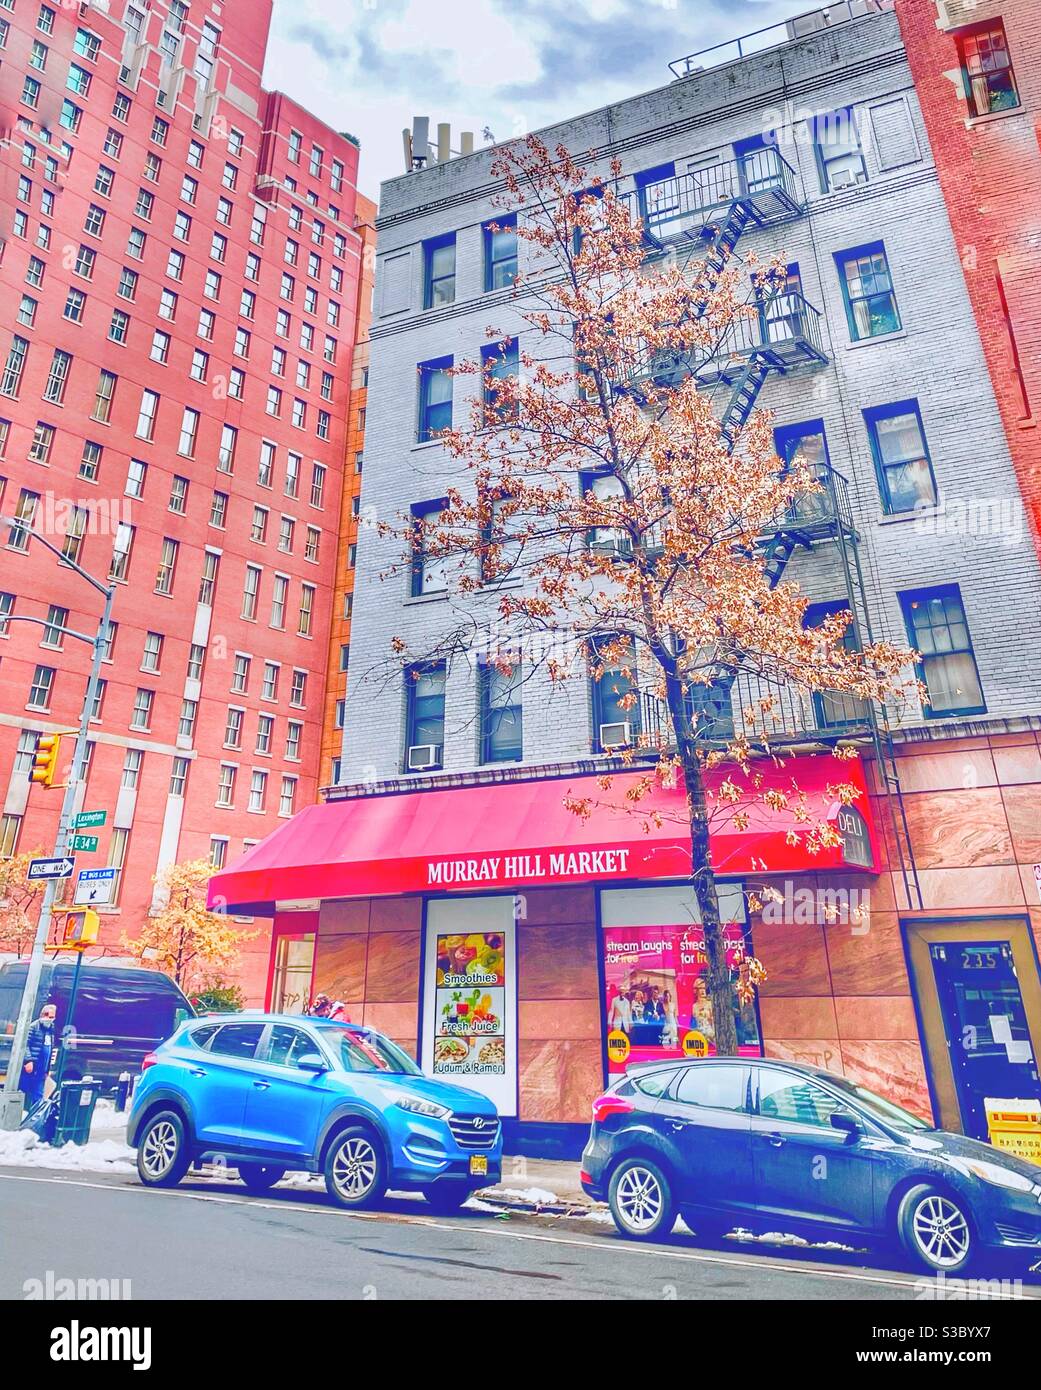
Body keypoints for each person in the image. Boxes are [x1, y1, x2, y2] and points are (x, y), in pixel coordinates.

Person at [20, 1003, 57, 1116]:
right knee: (24, 1092)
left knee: (39, 1095)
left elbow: (49, 1050)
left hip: (41, 1070)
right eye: (49, 1016)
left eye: (52, 1017)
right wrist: (28, 1060)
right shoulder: (33, 1027)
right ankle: (23, 1115)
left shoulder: (50, 1029)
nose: (50, 1020)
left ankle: (34, 1118)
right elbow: (25, 1044)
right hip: (32, 1068)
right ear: (43, 1015)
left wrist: (47, 1069)